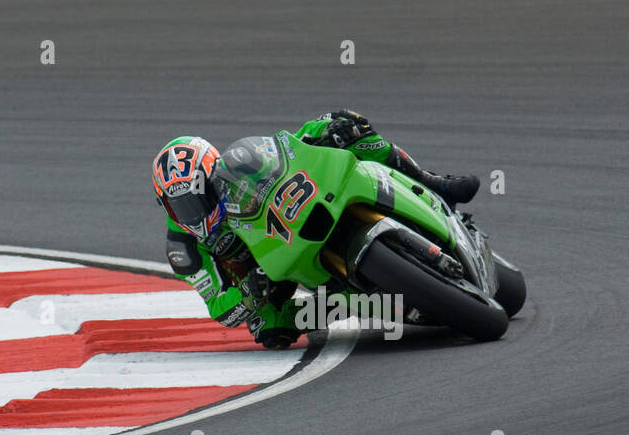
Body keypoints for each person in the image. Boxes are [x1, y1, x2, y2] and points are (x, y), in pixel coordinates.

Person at [152, 109, 479, 349]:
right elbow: (221, 310)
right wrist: (249, 290)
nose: (193, 212)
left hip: (292, 217)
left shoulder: (238, 165)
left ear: (214, 175)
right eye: (178, 205)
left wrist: (332, 124)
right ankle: (355, 302)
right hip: (269, 273)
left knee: (352, 135)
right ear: (165, 205)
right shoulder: (183, 249)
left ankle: (436, 184)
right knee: (270, 330)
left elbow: (290, 146)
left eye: (199, 197)